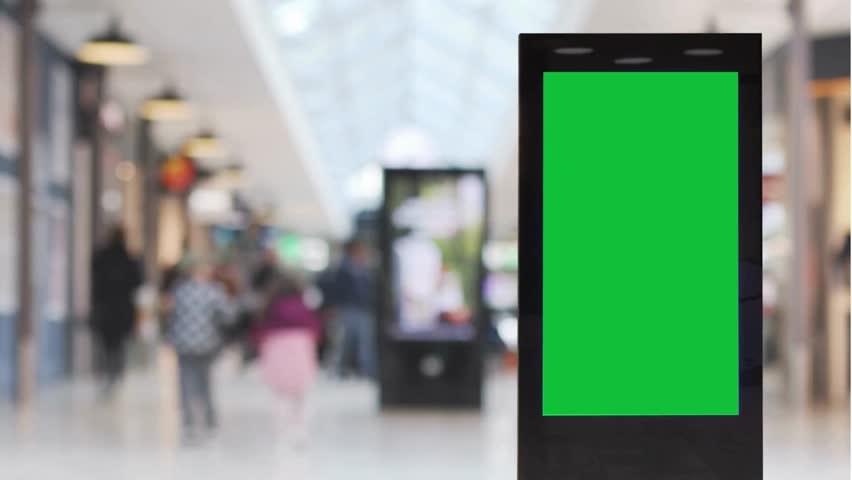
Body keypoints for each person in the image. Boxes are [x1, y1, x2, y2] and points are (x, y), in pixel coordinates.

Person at [166, 254, 236, 443]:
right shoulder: (214, 291)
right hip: (207, 343)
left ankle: (188, 423)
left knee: (185, 383)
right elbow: (228, 316)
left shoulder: (179, 291)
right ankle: (209, 420)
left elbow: (171, 315)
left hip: (183, 343)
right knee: (205, 383)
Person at [252, 271, 322, 444]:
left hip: (276, 348)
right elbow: (316, 327)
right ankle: (301, 430)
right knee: (301, 395)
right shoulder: (303, 306)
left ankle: (281, 430)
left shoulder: (270, 306)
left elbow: (259, 330)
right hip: (301, 348)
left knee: (280, 395)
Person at [91, 227, 142, 397]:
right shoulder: (129, 259)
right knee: (118, 344)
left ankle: (108, 373)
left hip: (106, 308)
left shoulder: (102, 257)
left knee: (107, 344)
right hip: (121, 309)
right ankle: (115, 373)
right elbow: (137, 283)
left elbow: (95, 283)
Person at [325, 238, 376, 379]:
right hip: (348, 308)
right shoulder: (344, 267)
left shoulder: (364, 268)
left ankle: (366, 370)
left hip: (363, 308)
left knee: (364, 342)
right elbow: (336, 288)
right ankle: (340, 369)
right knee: (345, 341)